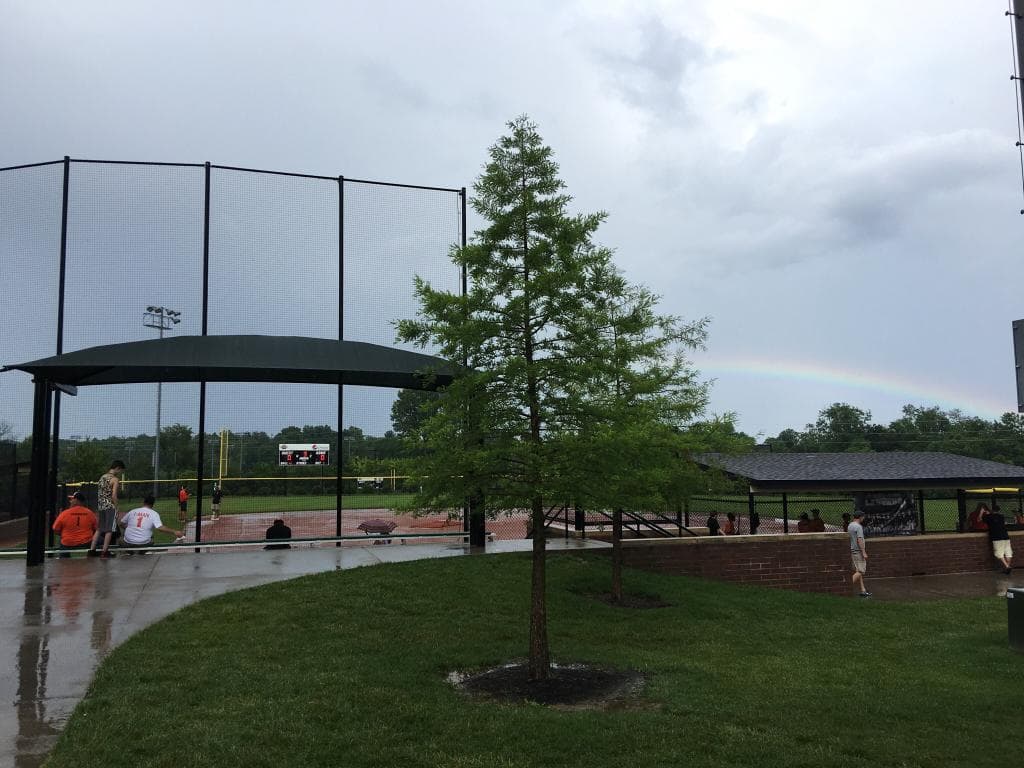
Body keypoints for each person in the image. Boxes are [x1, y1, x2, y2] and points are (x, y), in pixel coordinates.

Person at [88, 460, 125, 559]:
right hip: (110, 507)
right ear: (117, 468)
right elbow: (114, 495)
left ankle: (91, 550)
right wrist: (117, 507)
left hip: (101, 506)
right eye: (120, 471)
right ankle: (105, 551)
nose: (120, 473)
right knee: (110, 529)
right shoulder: (115, 479)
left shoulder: (102, 477)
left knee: (99, 528)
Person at [52, 491, 98, 557]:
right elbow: (96, 528)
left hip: (67, 543)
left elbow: (55, 529)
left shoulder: (64, 513)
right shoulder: (90, 513)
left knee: (62, 542)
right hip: (86, 542)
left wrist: (64, 534)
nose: (70, 501)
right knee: (97, 540)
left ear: (77, 501)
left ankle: (63, 561)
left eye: (71, 499)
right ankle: (92, 560)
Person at [981, 505, 1013, 574]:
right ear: (999, 510)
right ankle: (1007, 568)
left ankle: (1007, 566)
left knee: (999, 553)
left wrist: (982, 512)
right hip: (1006, 536)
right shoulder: (1001, 516)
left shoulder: (989, 516)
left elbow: (979, 519)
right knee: (1008, 553)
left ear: (992, 510)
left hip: (997, 537)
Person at [849, 510, 871, 597]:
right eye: (863, 517)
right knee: (861, 570)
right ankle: (846, 586)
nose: (863, 518)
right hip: (858, 552)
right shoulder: (858, 527)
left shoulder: (850, 525)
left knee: (858, 571)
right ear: (860, 517)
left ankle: (863, 590)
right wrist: (864, 552)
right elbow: (860, 539)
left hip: (852, 551)